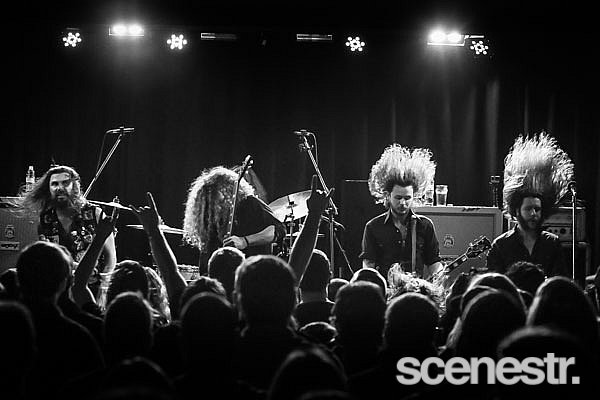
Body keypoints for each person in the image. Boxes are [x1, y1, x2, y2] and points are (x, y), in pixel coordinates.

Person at [22, 165, 116, 301]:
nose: (59, 188)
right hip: (59, 291)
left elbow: (111, 257)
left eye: (65, 183)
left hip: (93, 291)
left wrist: (104, 290)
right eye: (54, 184)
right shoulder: (45, 219)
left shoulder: (95, 213)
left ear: (75, 186)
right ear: (48, 189)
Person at [486, 132, 571, 277]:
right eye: (528, 209)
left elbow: (559, 281)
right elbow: (493, 285)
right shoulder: (501, 246)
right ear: (516, 211)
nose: (533, 214)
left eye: (537, 209)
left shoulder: (552, 243)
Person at [360, 144, 442, 280]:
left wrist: (439, 277)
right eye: (398, 198)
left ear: (414, 196)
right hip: (386, 290)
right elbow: (368, 265)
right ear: (388, 196)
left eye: (407, 198)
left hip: (416, 290)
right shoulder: (373, 227)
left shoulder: (425, 225)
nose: (403, 203)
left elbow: (434, 262)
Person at [183, 166, 285, 273]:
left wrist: (245, 241)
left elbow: (278, 230)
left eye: (216, 197)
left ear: (227, 190)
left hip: (253, 273)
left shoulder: (249, 203)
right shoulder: (211, 216)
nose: (213, 203)